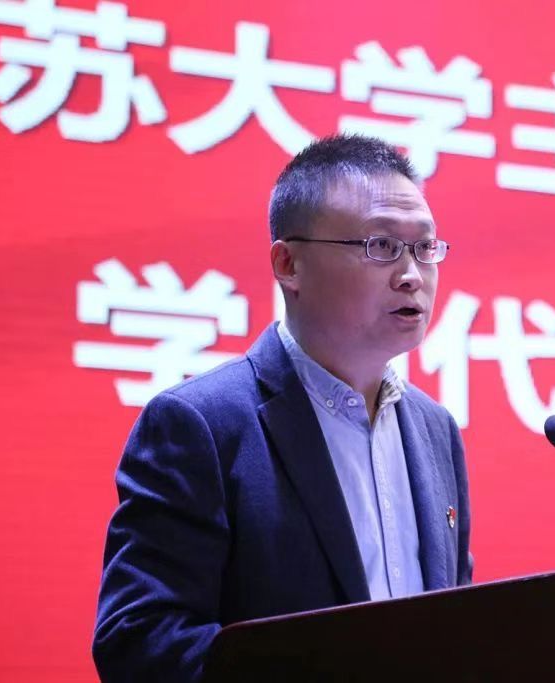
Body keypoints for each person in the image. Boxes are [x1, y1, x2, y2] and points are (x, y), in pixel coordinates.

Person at [92, 134, 473, 683]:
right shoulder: (201, 424)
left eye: (425, 247)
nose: (412, 273)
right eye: (382, 246)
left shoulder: (436, 431)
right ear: (288, 263)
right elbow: (139, 640)